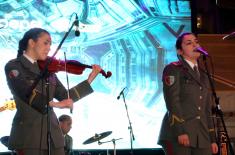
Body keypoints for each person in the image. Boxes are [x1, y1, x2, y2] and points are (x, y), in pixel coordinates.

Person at [4, 28, 102, 155]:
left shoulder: (48, 69)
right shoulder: (14, 66)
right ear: (31, 43)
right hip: (29, 137)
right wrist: (55, 104)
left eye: (50, 44)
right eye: (46, 43)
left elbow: (65, 96)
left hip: (54, 137)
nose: (49, 48)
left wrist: (89, 80)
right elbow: (27, 92)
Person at [158, 32, 218, 155]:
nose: (195, 45)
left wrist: (212, 139)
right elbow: (172, 101)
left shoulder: (204, 75)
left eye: (196, 42)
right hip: (179, 132)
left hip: (202, 135)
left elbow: (207, 109)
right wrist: (180, 131)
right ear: (180, 51)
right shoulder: (173, 69)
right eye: (189, 43)